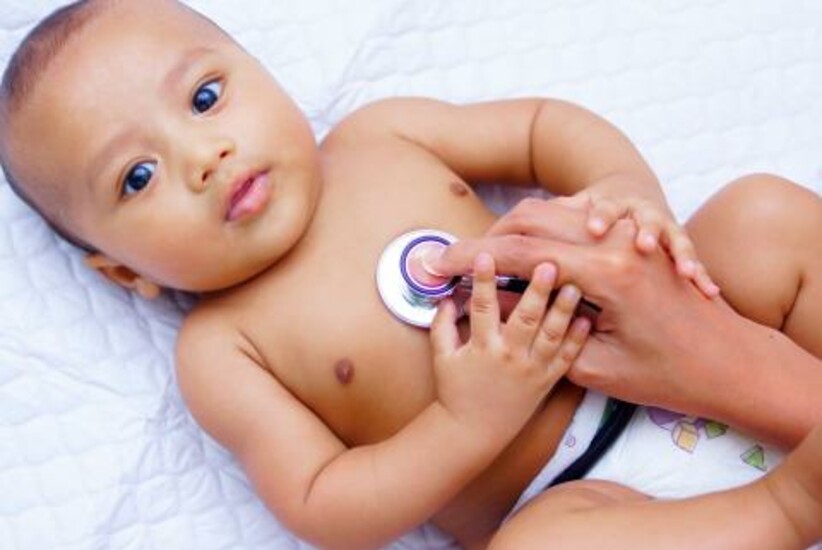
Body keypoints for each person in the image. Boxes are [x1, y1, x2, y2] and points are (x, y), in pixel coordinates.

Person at [0, 1, 819, 549]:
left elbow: (542, 128)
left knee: (759, 216)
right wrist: (466, 419)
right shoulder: (223, 349)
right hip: (578, 496)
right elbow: (324, 503)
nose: (201, 158)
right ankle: (784, 509)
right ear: (122, 272)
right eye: (136, 179)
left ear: (264, 73)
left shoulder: (381, 136)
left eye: (207, 96)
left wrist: (626, 196)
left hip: (675, 322)